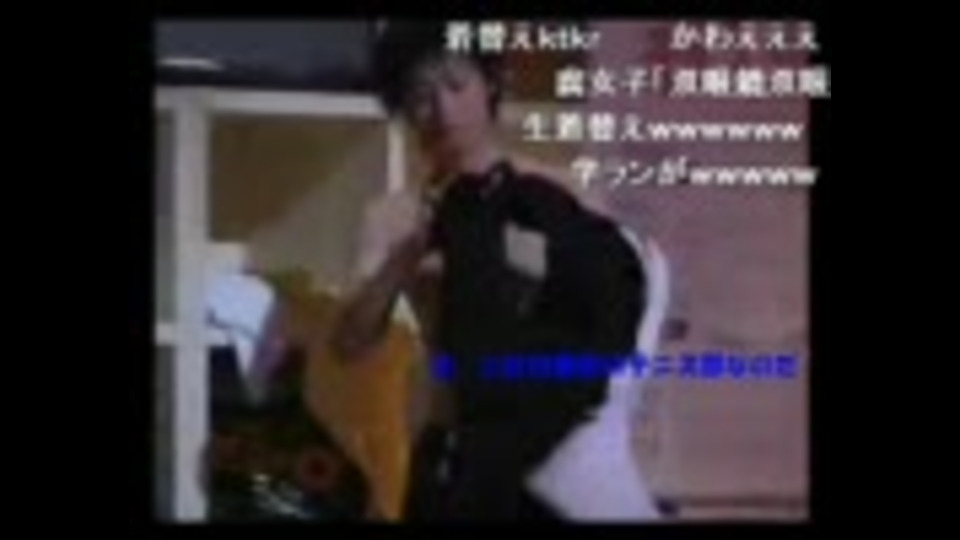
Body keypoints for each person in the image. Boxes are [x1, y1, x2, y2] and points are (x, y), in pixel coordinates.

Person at [329, 22, 646, 520]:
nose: (443, 110)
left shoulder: (566, 196)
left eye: (456, 86)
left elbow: (617, 318)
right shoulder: (392, 215)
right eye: (421, 97)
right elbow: (348, 344)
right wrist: (407, 256)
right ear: (403, 109)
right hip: (453, 443)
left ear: (491, 83)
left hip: (554, 446)